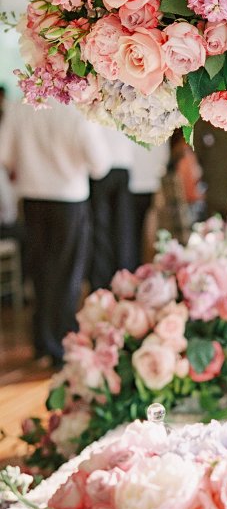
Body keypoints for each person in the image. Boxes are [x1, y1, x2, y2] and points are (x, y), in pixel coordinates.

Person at [0, 102, 110, 366]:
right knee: (68, 275)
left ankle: (42, 344)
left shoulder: (20, 107)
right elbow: (100, 164)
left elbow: (4, 156)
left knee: (40, 272)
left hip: (32, 199)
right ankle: (62, 346)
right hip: (69, 199)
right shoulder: (78, 109)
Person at [89, 126, 137, 288]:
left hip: (101, 165)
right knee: (122, 230)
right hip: (122, 163)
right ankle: (123, 284)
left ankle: (101, 286)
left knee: (101, 231)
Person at [129, 141, 169, 266]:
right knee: (141, 230)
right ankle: (137, 265)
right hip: (146, 182)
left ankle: (138, 265)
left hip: (137, 182)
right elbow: (163, 157)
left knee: (136, 230)